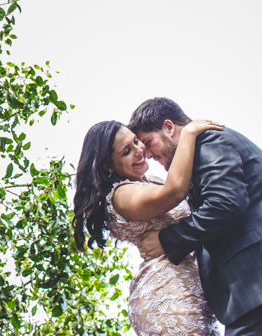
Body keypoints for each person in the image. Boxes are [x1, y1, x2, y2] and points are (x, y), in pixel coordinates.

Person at [132, 97, 262, 336]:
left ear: (169, 128)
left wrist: (168, 240)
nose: (147, 154)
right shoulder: (207, 145)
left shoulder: (208, 142)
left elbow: (226, 204)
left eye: (148, 142)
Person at [73, 117, 224, 336]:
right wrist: (189, 133)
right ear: (108, 166)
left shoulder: (148, 180)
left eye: (136, 141)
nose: (139, 150)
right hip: (168, 299)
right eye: (126, 151)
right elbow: (174, 192)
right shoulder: (121, 195)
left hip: (189, 293)